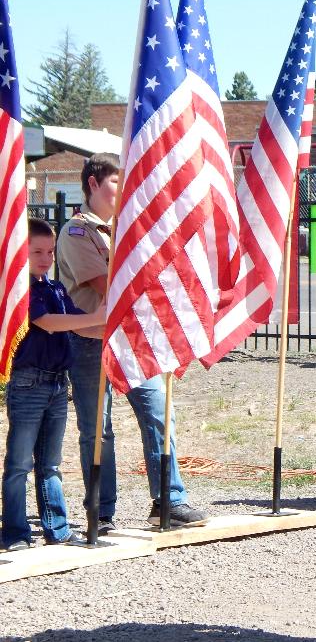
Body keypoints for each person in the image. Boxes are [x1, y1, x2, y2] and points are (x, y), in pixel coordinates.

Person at [56, 153, 205, 531]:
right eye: (115, 182)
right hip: (92, 341)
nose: (124, 190)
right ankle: (101, 511)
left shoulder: (128, 229)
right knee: (96, 428)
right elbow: (109, 284)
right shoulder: (77, 232)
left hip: (135, 340)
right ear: (93, 183)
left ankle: (169, 500)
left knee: (158, 414)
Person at [2, 218, 106, 550]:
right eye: (37, 252)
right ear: (21, 253)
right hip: (28, 383)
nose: (46, 258)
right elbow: (48, 322)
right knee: (20, 463)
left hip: (57, 385)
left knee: (51, 463)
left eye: (49, 251)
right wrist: (97, 317)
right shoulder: (23, 291)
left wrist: (107, 325)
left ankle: (57, 527)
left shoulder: (55, 288)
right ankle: (15, 531)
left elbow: (76, 325)